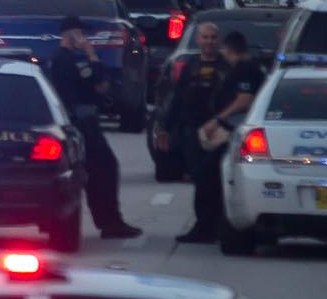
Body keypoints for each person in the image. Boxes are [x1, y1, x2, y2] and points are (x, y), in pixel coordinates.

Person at [45, 16, 141, 241]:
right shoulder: (64, 60)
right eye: (81, 34)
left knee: (102, 172)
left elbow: (101, 85)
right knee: (104, 168)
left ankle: (110, 221)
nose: (84, 38)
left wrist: (91, 59)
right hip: (80, 124)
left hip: (84, 121)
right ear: (71, 33)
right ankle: (110, 222)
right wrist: (90, 53)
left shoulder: (67, 59)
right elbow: (93, 84)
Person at [157, 19, 229, 244]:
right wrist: (165, 129)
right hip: (191, 132)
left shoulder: (226, 67)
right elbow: (177, 99)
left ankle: (215, 225)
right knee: (200, 179)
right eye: (204, 37)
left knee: (215, 180)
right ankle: (203, 227)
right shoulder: (190, 66)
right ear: (197, 40)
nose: (208, 42)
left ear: (219, 40)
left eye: (212, 38)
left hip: (218, 132)